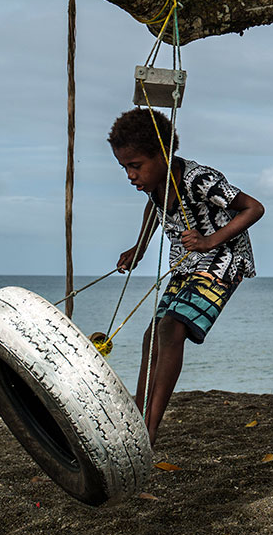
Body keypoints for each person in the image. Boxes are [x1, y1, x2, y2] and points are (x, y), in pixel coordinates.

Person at [108, 107, 264, 444]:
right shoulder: (155, 185)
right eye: (125, 168)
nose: (131, 175)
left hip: (223, 260)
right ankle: (138, 420)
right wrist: (139, 247)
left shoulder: (199, 180)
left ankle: (149, 430)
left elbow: (254, 208)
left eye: (136, 165)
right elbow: (155, 205)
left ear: (163, 155)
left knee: (171, 328)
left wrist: (209, 241)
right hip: (187, 263)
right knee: (153, 336)